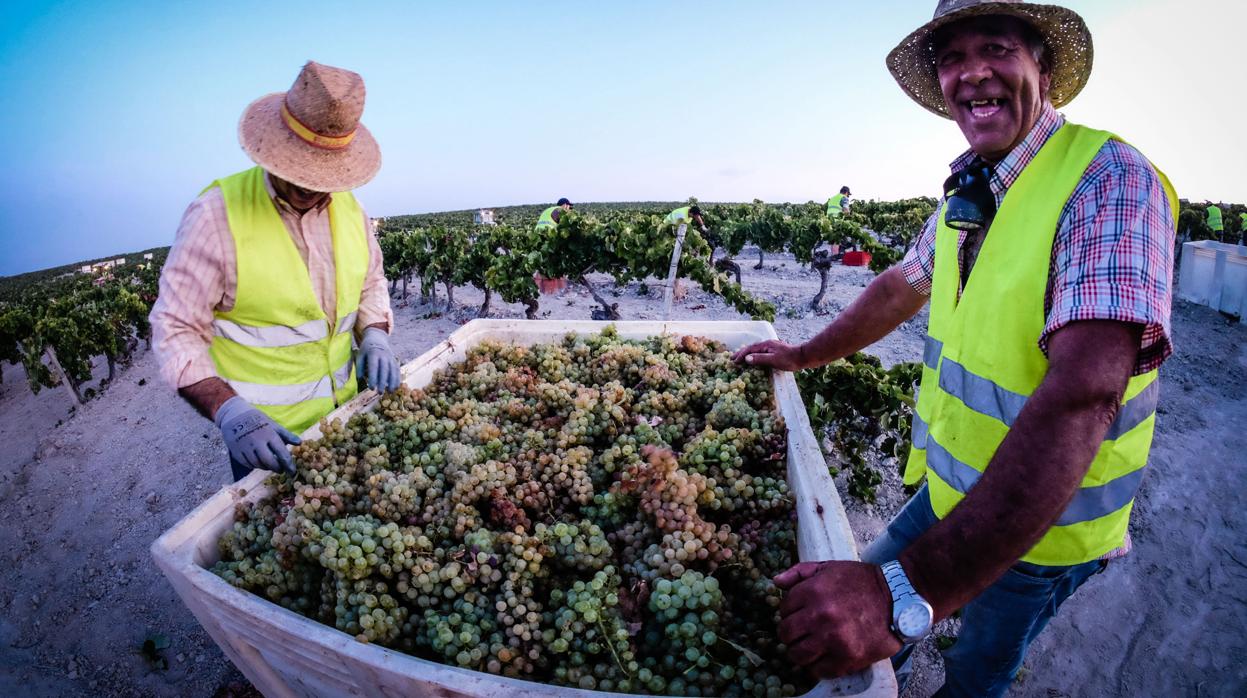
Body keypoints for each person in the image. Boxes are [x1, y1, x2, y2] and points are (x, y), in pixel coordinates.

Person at [734, 2, 1177, 695]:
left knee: (974, 673)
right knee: (859, 611)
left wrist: (910, 590)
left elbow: (1084, 395)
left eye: (996, 48)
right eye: (950, 58)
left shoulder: (1108, 180)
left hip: (1044, 529)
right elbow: (898, 287)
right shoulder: (967, 196)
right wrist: (802, 354)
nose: (971, 73)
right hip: (950, 492)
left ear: (1046, 69)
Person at [151, 61, 401, 482]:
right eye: (300, 168)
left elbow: (371, 281)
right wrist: (229, 412)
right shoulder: (215, 217)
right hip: (267, 437)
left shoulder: (350, 210)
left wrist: (374, 334)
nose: (309, 185)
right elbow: (174, 330)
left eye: (322, 174)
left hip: (346, 416)